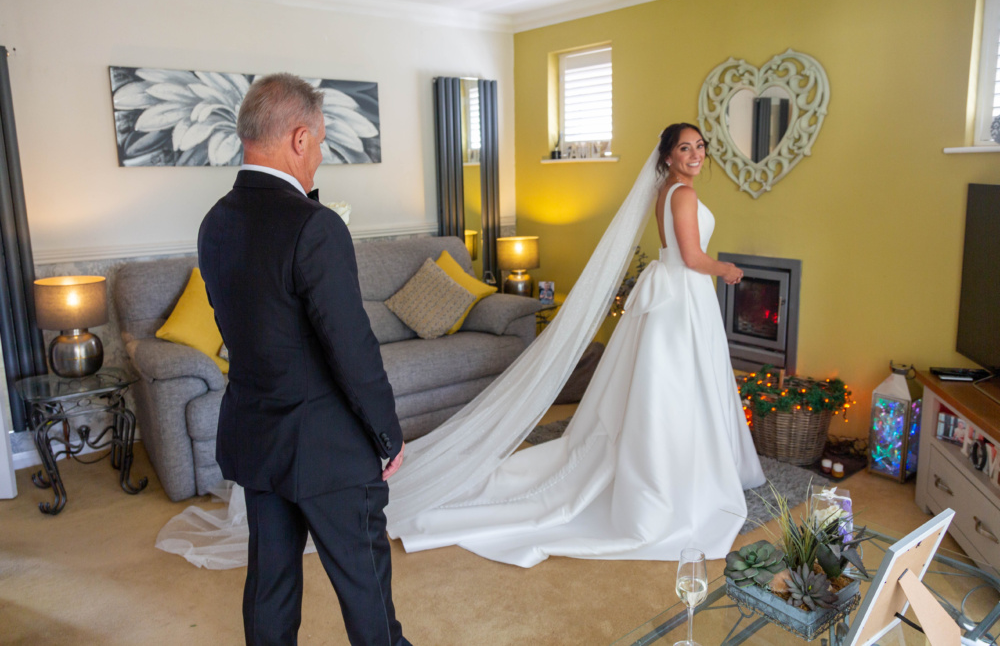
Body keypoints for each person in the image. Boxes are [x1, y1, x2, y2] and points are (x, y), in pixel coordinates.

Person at [386, 123, 766, 566]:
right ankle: (678, 477)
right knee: (682, 385)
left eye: (700, 146)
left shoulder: (667, 190)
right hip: (683, 295)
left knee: (668, 386)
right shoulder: (682, 194)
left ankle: (674, 465)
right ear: (668, 156)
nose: (696, 154)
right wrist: (727, 270)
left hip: (676, 294)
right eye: (686, 148)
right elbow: (693, 257)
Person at [197, 73, 411, 645]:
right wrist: (387, 434)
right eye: (319, 143)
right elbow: (351, 347)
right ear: (298, 138)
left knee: (270, 584)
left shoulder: (215, 222)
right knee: (365, 590)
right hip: (327, 447)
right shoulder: (316, 226)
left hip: (256, 436)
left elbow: (240, 329)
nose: (319, 157)